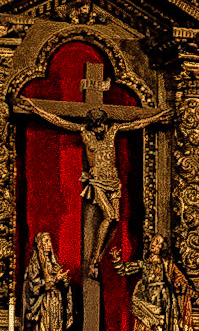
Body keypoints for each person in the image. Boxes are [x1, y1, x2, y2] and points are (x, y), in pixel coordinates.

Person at [15, 98, 168, 282]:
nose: (99, 128)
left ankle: (98, 258)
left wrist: (156, 117)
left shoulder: (112, 132)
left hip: (113, 181)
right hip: (97, 182)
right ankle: (94, 259)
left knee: (115, 220)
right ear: (91, 125)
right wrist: (36, 110)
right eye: (96, 125)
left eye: (101, 124)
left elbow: (136, 124)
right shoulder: (86, 134)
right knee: (109, 216)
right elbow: (60, 121)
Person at [110, 233, 194, 331]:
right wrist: (117, 259)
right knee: (147, 325)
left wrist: (178, 284)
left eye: (158, 243)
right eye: (154, 241)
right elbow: (124, 269)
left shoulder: (167, 264)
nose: (155, 244)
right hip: (148, 299)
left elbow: (180, 278)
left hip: (163, 298)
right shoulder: (144, 264)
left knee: (163, 328)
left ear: (162, 248)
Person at [22, 231, 70, 331]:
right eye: (46, 241)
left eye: (50, 241)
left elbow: (63, 287)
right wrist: (53, 280)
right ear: (39, 244)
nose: (49, 244)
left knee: (56, 330)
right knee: (43, 330)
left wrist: (64, 281)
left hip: (56, 300)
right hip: (43, 303)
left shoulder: (54, 262)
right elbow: (34, 285)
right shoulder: (34, 265)